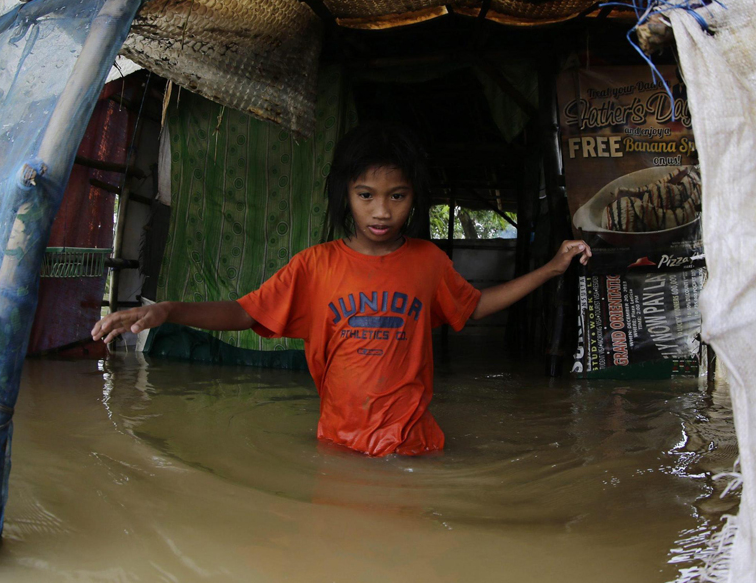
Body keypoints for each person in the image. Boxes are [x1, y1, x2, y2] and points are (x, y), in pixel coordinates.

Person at [92, 122, 591, 456]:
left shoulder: (427, 262)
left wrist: (550, 268)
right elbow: (246, 312)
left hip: (415, 447)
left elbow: (476, 305)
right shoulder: (316, 266)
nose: (381, 211)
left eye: (397, 196)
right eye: (366, 195)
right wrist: (167, 311)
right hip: (338, 447)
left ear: (414, 199)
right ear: (345, 197)